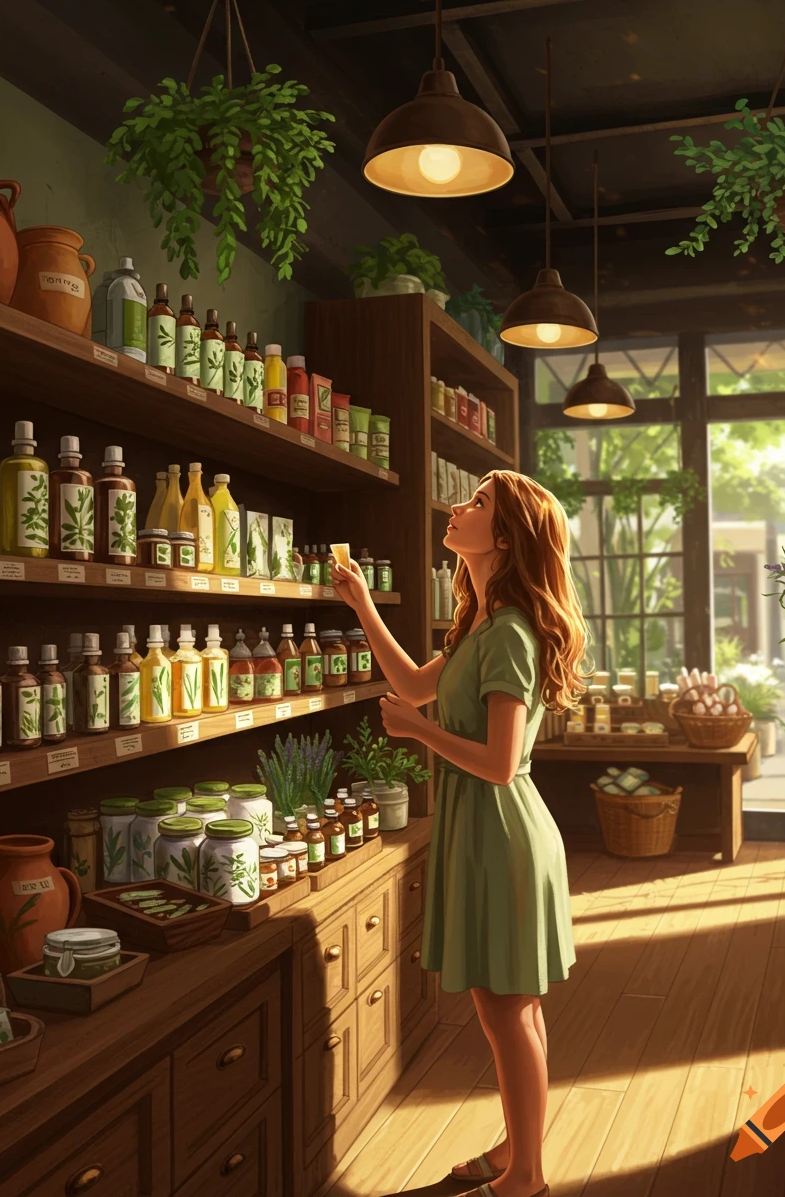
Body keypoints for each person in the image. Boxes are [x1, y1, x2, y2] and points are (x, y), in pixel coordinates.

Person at [332, 470, 588, 1197]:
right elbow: (414, 684)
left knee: (507, 1011)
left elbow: (502, 765)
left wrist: (420, 733)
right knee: (511, 1009)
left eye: (477, 504)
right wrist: (361, 604)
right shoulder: (484, 622)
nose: (456, 506)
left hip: (501, 832)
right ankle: (517, 1151)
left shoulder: (507, 634)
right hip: (485, 833)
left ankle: (527, 1177)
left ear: (504, 538)